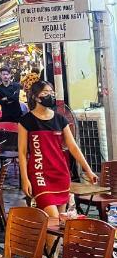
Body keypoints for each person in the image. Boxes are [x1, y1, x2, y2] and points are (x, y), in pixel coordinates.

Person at [18, 80, 96, 221]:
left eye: (52, 93)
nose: (50, 96)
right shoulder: (26, 121)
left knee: (59, 223)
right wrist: (24, 178)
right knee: (54, 218)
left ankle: (53, 244)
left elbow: (73, 147)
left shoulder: (60, 119)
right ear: (35, 97)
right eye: (46, 93)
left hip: (60, 174)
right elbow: (22, 153)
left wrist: (88, 170)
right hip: (39, 174)